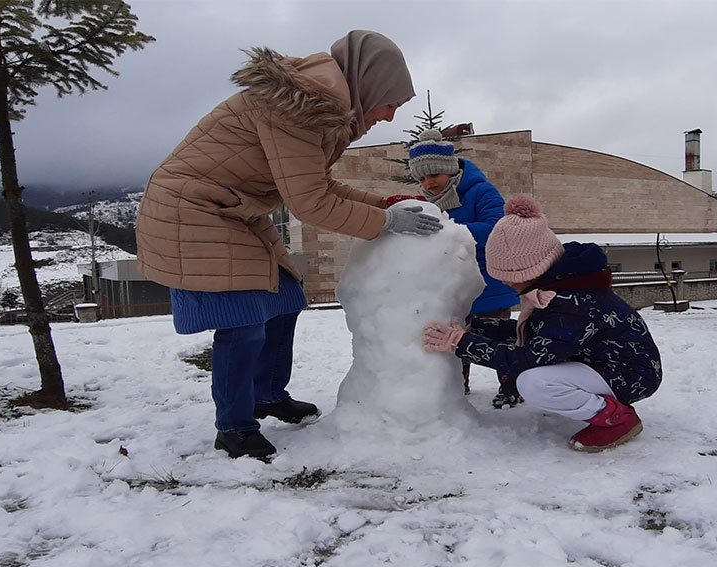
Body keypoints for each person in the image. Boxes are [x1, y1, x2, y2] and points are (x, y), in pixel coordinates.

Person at [136, 30, 442, 460]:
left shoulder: (319, 110)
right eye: (390, 102)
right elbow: (311, 203)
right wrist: (387, 221)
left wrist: (384, 202)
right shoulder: (297, 109)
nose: (389, 116)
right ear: (370, 85)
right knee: (241, 322)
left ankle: (265, 394)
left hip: (234, 210)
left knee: (284, 300)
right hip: (192, 212)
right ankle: (235, 428)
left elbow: (319, 183)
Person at [422, 195, 662, 452]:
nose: (506, 283)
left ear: (531, 270)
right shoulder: (562, 285)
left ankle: (616, 420)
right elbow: (536, 335)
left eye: (510, 277)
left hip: (630, 375)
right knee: (535, 375)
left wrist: (461, 343)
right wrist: (477, 328)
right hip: (603, 363)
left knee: (534, 383)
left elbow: (528, 357)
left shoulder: (572, 305)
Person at [405, 128, 521, 404]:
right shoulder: (428, 202)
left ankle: (511, 386)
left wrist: (448, 230)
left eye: (433, 174)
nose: (428, 183)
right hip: (450, 285)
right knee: (455, 336)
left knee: (497, 339)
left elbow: (498, 229)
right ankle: (459, 384)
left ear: (449, 169)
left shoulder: (481, 191)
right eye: (421, 177)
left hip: (489, 283)